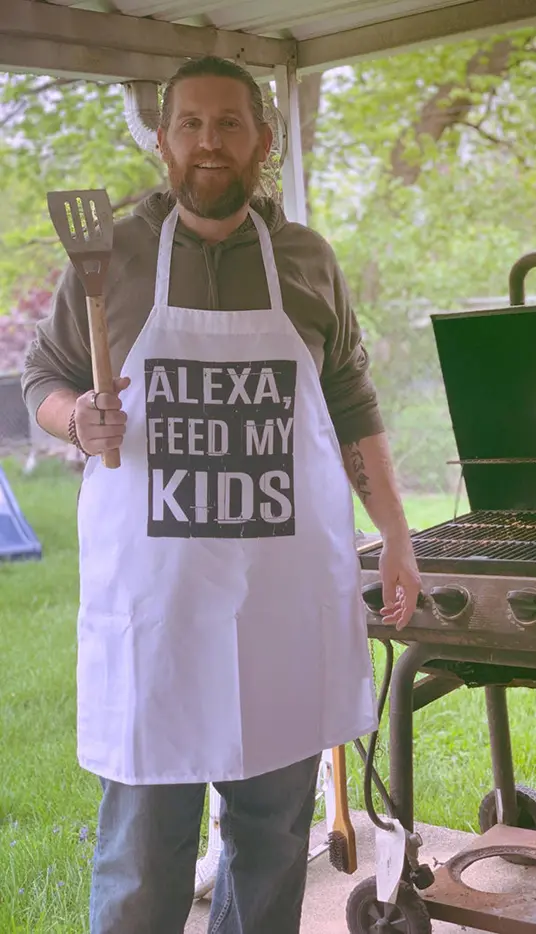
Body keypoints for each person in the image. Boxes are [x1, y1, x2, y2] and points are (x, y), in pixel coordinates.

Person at [21, 55, 421, 934]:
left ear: (263, 142)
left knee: (273, 843)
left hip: (279, 611)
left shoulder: (307, 260)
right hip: (156, 613)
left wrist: (395, 534)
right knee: (142, 854)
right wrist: (75, 418)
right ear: (163, 142)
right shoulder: (111, 255)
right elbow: (42, 377)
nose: (210, 142)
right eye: (191, 124)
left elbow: (353, 403)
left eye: (230, 124)